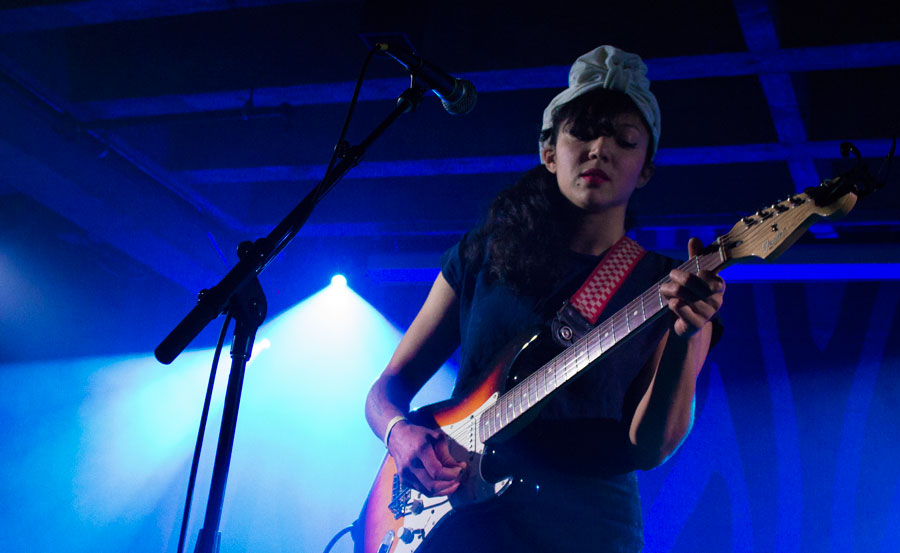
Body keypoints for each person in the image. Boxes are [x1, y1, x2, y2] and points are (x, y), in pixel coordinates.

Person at [364, 45, 725, 552]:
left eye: (624, 139)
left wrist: (686, 335)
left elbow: (650, 447)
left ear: (645, 168)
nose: (601, 148)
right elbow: (385, 390)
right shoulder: (482, 253)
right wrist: (399, 434)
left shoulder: (671, 287)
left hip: (586, 530)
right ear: (549, 151)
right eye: (582, 131)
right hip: (463, 524)